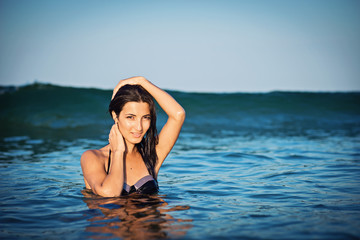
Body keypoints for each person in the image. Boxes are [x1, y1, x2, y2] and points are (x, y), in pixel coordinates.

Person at [80, 76, 185, 197]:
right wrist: (118, 151)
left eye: (146, 117)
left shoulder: (151, 153)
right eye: (131, 117)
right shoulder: (93, 157)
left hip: (151, 216)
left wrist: (142, 81)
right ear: (115, 116)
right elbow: (109, 195)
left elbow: (178, 114)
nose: (139, 127)